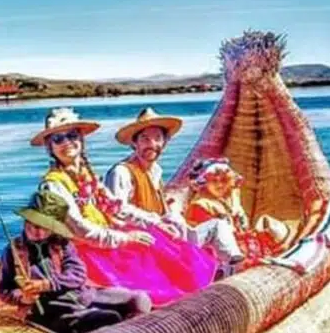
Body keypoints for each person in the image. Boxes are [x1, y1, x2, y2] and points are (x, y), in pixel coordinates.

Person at [33, 108, 218, 306]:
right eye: (58, 139)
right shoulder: (51, 187)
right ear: (49, 147)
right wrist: (125, 238)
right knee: (144, 251)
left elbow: (115, 207)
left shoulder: (87, 175)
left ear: (81, 139)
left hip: (103, 237)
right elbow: (78, 230)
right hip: (84, 250)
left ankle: (198, 285)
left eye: (72, 135)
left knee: (157, 237)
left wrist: (156, 222)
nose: (67, 142)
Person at [0, 190, 152, 333]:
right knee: (110, 318)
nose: (38, 232)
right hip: (55, 311)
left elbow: (78, 275)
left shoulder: (61, 244)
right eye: (34, 224)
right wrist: (23, 297)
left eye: (45, 227)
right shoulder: (13, 251)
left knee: (139, 299)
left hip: (86, 296)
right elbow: (3, 289)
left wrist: (47, 284)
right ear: (26, 220)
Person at [105, 107, 245, 264]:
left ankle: (233, 264)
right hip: (140, 239)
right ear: (134, 143)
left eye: (157, 138)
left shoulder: (155, 171)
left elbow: (160, 208)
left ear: (164, 143)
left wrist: (172, 219)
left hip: (163, 232)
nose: (152, 144)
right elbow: (117, 210)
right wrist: (157, 223)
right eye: (145, 139)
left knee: (219, 226)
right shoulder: (122, 172)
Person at [184, 158, 292, 269]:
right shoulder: (200, 205)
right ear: (204, 183)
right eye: (214, 181)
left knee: (276, 229)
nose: (220, 185)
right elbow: (207, 243)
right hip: (221, 254)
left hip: (242, 243)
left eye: (224, 180)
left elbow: (242, 225)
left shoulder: (232, 197)